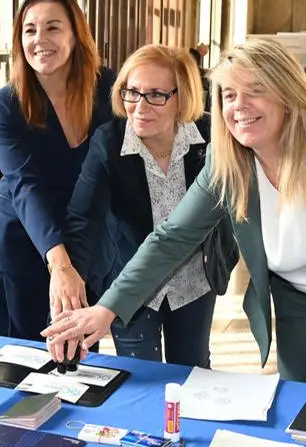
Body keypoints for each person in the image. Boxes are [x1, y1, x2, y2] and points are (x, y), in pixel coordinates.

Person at [43, 37, 306, 394]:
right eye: (229, 95)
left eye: (255, 91)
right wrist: (107, 309)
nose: (240, 107)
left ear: (287, 95)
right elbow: (171, 239)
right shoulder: (227, 164)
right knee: (304, 411)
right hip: (301, 303)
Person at [53, 44, 238, 368]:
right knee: (140, 372)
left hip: (194, 282)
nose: (139, 106)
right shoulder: (108, 142)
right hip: (129, 280)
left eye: (155, 95)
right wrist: (68, 293)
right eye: (132, 92)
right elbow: (82, 221)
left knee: (192, 369)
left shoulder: (212, 137)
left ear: (182, 97)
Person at [0, 0, 117, 342]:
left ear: (76, 34)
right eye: (30, 30)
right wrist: (60, 264)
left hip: (89, 239)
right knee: (26, 356)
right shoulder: (6, 104)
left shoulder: (109, 88)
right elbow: (25, 185)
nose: (40, 39)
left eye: (53, 27)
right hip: (25, 240)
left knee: (83, 357)